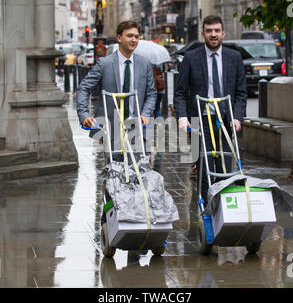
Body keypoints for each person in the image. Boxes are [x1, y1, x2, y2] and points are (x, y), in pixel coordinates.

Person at [174, 15, 247, 204]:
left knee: (224, 168)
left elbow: (241, 93)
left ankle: (223, 210)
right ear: (203, 34)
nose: (213, 35)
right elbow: (180, 92)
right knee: (204, 169)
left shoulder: (234, 57)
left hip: (226, 120)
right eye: (209, 31)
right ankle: (207, 212)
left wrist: (237, 118)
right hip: (200, 120)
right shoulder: (191, 57)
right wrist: (182, 118)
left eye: (216, 31)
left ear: (223, 33)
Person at [76, 20, 157, 156]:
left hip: (136, 127)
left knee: (137, 172)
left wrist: (146, 113)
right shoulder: (104, 63)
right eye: (129, 36)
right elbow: (84, 88)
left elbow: (152, 93)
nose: (134, 40)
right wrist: (84, 114)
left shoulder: (145, 64)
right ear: (119, 38)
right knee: (114, 173)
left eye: (136, 37)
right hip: (111, 129)